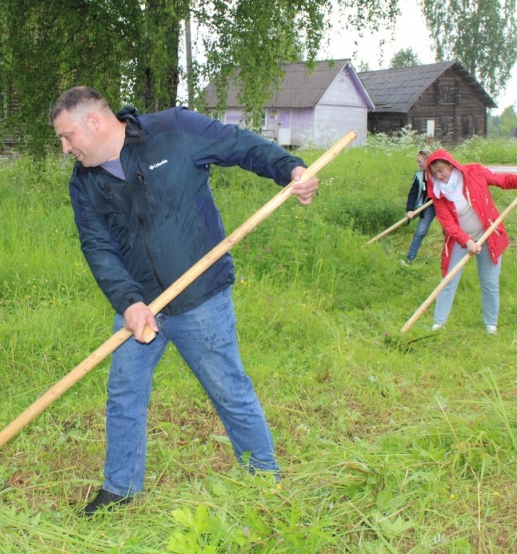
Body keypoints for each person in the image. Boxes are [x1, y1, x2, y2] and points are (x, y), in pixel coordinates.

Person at [50, 86, 319, 516]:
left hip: (200, 298)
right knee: (124, 393)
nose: (65, 148)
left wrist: (291, 169)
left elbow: (239, 145)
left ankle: (265, 482)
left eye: (67, 137)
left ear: (94, 122)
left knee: (229, 390)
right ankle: (121, 488)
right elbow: (97, 247)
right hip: (139, 306)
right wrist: (129, 303)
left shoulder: (173, 130)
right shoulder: (84, 183)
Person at [425, 149, 517, 335]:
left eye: (441, 170)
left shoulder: (474, 172)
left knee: (489, 282)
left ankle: (491, 325)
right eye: (434, 173)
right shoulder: (438, 194)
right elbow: (448, 224)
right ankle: (438, 324)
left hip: (488, 235)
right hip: (460, 240)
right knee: (448, 280)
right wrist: (467, 241)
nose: (439, 176)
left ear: (451, 164)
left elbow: (503, 180)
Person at [402, 150, 434, 265]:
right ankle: (410, 258)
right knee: (420, 232)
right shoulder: (419, 175)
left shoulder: (438, 171)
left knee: (448, 232)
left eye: (420, 162)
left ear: (427, 161)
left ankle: (450, 258)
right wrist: (410, 209)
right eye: (417, 161)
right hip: (428, 205)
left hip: (442, 204)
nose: (418, 164)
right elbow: (413, 193)